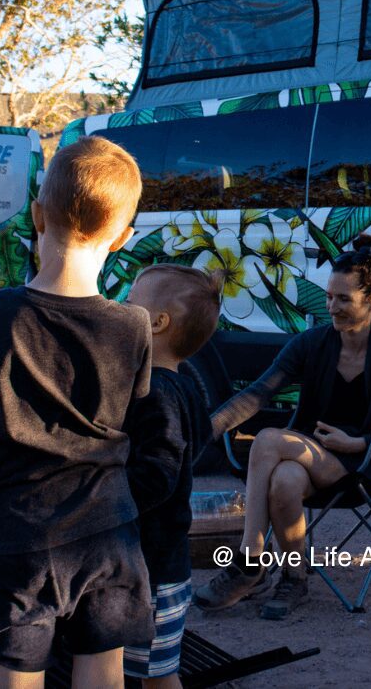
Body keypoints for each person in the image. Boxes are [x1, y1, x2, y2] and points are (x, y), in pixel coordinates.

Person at [0, 136, 154, 689]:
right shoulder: (134, 325)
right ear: (123, 236)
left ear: (38, 215)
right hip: (110, 535)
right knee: (102, 678)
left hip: (20, 540)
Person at [194, 234, 371, 620]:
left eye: (343, 299)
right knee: (284, 480)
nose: (331, 307)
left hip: (365, 466)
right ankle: (294, 578)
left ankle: (250, 560)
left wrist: (359, 443)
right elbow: (257, 394)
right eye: (329, 296)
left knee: (268, 439)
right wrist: (203, 429)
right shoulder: (312, 343)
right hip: (309, 457)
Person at [122, 264, 221, 688]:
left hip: (152, 570)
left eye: (129, 304)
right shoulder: (182, 388)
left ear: (158, 323)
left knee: (158, 679)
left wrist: (104, 500)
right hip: (159, 566)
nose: (121, 310)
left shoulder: (157, 394)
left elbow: (158, 474)